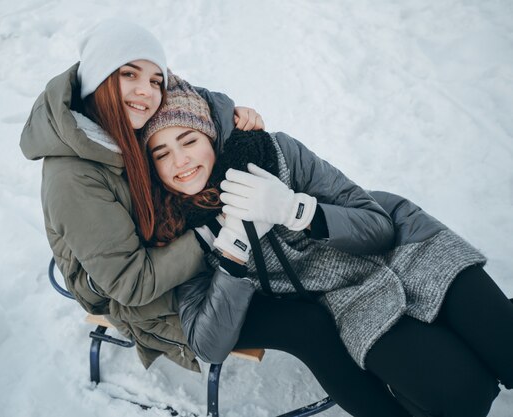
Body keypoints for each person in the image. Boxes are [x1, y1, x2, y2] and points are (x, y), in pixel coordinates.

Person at [20, 19, 413, 417]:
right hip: (135, 287)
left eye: (155, 79)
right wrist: (215, 230)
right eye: (128, 74)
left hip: (167, 238)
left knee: (299, 280)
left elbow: (185, 103)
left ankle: (400, 374)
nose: (147, 91)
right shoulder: (74, 176)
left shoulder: (125, 116)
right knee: (304, 324)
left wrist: (229, 120)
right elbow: (129, 283)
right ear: (98, 78)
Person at [142, 72, 513, 417]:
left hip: (409, 246)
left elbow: (379, 227)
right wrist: (233, 249)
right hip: (350, 297)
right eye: (161, 154)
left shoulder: (275, 153)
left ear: (210, 137)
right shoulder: (175, 230)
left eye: (189, 140)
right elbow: (208, 344)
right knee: (464, 396)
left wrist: (295, 210)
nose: (180, 160)